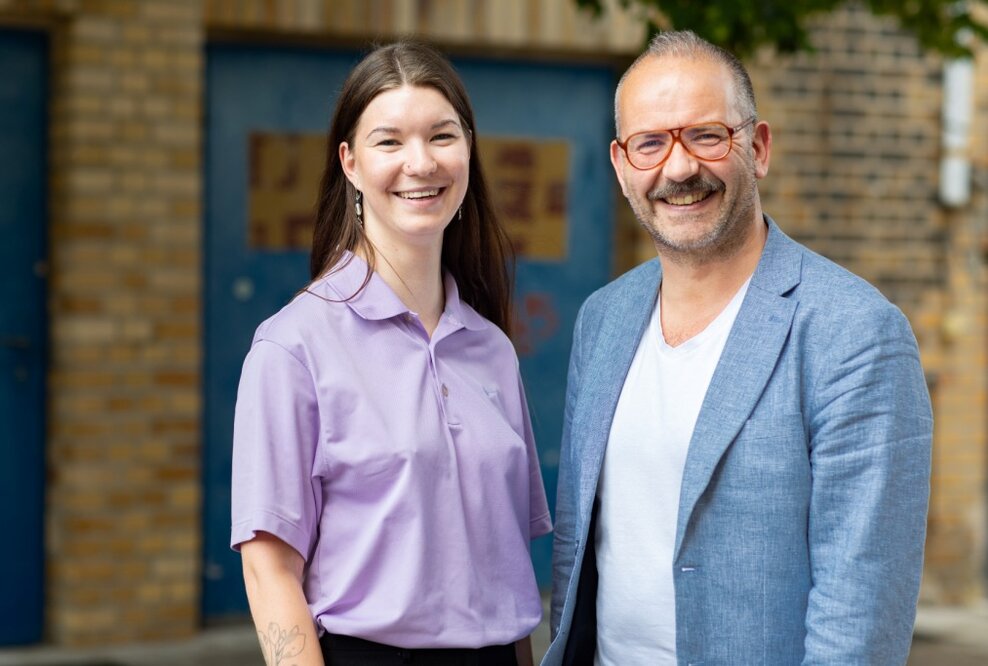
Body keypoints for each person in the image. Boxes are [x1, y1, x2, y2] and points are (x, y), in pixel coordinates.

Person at [544, 30, 932, 666]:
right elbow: (578, 553)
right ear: (620, 166)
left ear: (757, 147)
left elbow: (860, 611)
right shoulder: (603, 319)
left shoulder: (855, 333)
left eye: (706, 135)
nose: (678, 168)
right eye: (650, 143)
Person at [231, 41, 551, 666]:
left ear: (467, 151)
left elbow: (506, 568)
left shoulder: (491, 349)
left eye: (442, 136)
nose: (420, 162)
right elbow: (269, 574)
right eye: (389, 141)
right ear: (349, 163)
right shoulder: (293, 345)